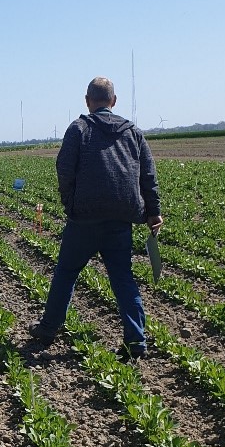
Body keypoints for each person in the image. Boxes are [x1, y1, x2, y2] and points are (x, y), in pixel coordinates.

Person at [29, 76, 163, 359]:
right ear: (113, 101)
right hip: (120, 220)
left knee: (66, 273)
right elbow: (147, 175)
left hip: (84, 220)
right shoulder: (133, 133)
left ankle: (49, 328)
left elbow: (64, 169)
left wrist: (71, 203)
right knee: (123, 278)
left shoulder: (79, 128)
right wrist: (153, 212)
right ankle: (136, 341)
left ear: (88, 101)